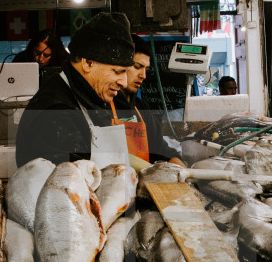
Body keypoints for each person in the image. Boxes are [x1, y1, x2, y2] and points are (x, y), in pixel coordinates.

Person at [15, 13, 182, 168]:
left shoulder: (88, 97)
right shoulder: (55, 112)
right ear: (88, 63)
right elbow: (68, 187)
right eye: (118, 71)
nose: (124, 82)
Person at [114, 36, 184, 166]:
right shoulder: (103, 106)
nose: (143, 76)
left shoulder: (141, 107)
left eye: (146, 69)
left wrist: (175, 161)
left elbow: (158, 147)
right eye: (137, 67)